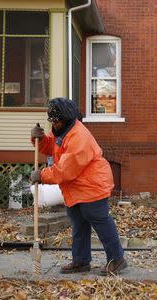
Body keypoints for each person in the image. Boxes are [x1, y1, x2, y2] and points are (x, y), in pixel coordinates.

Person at [30, 97, 127, 276]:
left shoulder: (79, 137)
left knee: (99, 220)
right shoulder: (61, 130)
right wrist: (41, 139)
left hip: (91, 185)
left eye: (57, 120)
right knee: (78, 223)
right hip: (76, 187)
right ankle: (81, 261)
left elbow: (65, 171)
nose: (54, 124)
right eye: (52, 120)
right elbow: (52, 146)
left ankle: (117, 259)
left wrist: (42, 175)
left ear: (66, 118)